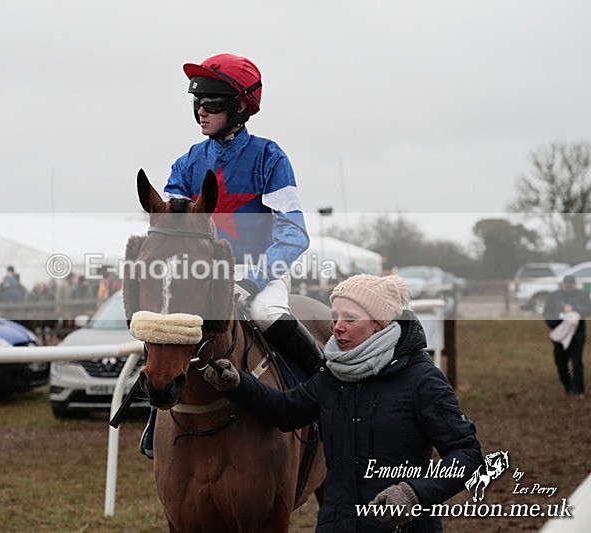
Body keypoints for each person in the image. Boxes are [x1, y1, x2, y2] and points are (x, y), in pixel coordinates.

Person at [140, 53, 321, 458]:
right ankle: (156, 415)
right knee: (163, 323)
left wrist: (252, 280)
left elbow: (294, 233)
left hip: (260, 273)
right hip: (201, 274)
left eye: (211, 102)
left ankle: (326, 398)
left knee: (267, 314)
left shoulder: (270, 157)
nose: (201, 111)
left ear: (240, 106)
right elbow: (171, 231)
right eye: (197, 102)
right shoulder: (186, 163)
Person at [203, 274, 483, 531]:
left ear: (380, 323)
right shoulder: (333, 374)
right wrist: (237, 385)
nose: (337, 327)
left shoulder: (422, 380)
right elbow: (285, 411)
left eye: (350, 318)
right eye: (335, 317)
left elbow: (467, 454)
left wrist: (414, 493)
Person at [543, 274, 591, 397]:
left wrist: (575, 309)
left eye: (570, 286)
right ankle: (567, 386)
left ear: (575, 284)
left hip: (577, 334)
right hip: (559, 333)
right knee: (560, 362)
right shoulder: (554, 296)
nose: (568, 288)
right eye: (566, 286)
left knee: (577, 361)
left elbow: (588, 310)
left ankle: (578, 389)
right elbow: (547, 312)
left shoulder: (582, 295)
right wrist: (554, 324)